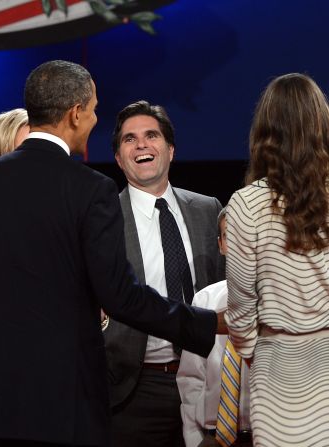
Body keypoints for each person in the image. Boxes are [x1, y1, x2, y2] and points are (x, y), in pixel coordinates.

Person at [0, 60, 220, 447]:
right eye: (92, 109)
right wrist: (207, 325)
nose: (93, 120)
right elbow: (120, 296)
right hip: (61, 407)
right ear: (75, 113)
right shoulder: (89, 189)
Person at [225, 73, 329, 447]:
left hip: (278, 374)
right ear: (322, 126)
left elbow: (241, 310)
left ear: (265, 130)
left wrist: (257, 353)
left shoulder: (245, 205)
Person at [103, 100, 225, 447]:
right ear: (118, 158)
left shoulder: (208, 209)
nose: (141, 144)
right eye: (129, 139)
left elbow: (225, 290)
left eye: (151, 135)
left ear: (169, 150)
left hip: (207, 379)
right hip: (135, 388)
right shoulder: (104, 218)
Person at [176, 208, 252, 447]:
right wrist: (193, 437)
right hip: (212, 437)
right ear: (221, 245)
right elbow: (191, 378)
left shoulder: (283, 301)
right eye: (231, 236)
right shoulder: (204, 301)